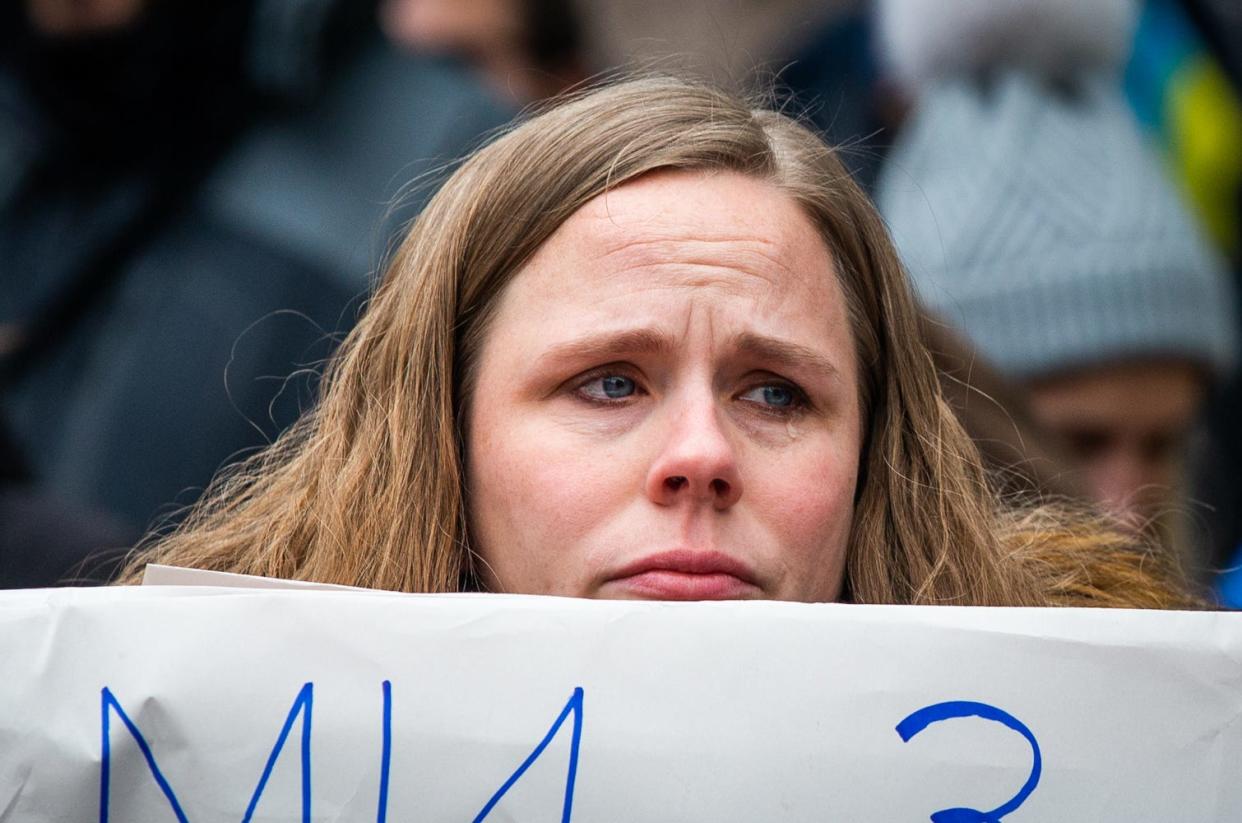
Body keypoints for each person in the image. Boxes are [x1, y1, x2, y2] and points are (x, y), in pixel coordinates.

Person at [117, 76, 1196, 608]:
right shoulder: (210, 752)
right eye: (610, 382)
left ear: (879, 461)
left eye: (776, 394)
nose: (703, 454)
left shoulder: (1095, 764)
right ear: (439, 437)